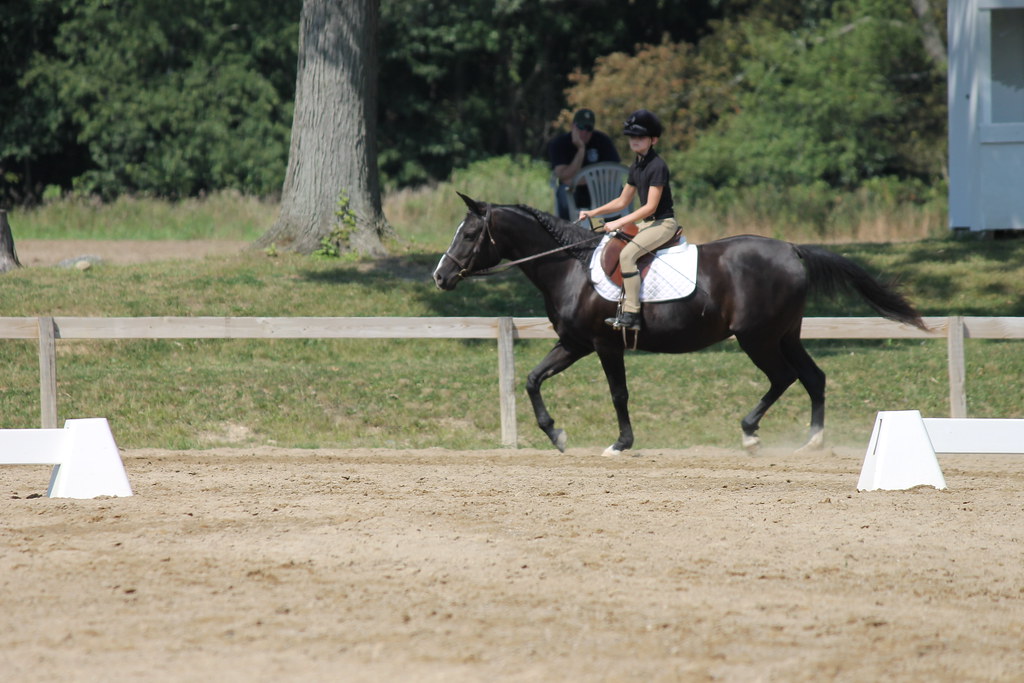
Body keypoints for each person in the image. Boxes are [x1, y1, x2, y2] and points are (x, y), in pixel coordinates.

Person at [580, 109, 677, 331]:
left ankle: (632, 314)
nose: (635, 141)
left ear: (653, 140)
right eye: (632, 137)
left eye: (640, 137)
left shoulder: (657, 166)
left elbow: (650, 207)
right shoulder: (636, 166)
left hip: (662, 224)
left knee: (627, 255)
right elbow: (622, 201)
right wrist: (592, 213)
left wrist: (617, 222)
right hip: (648, 223)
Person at [547, 109, 620, 219]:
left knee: (620, 191)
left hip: (601, 193)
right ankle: (566, 230)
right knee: (563, 192)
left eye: (588, 128)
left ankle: (618, 230)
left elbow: (614, 174)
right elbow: (563, 176)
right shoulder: (559, 143)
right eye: (581, 127)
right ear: (573, 126)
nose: (584, 132)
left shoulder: (603, 140)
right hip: (574, 193)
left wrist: (586, 181)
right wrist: (581, 149)